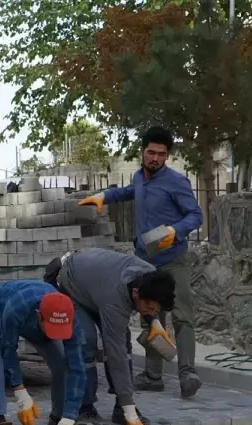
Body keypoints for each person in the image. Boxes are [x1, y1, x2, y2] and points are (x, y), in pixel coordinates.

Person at [78, 125, 204, 398]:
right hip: (144, 263)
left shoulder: (176, 182)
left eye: (161, 153)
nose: (155, 158)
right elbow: (127, 191)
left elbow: (195, 215)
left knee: (182, 317)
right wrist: (103, 197)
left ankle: (187, 374)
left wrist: (176, 231)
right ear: (142, 152)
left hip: (173, 259)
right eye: (151, 152)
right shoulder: (139, 177)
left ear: (167, 156)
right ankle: (152, 375)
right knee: (150, 316)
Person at [45, 248, 176, 425]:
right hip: (73, 286)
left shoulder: (149, 274)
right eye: (149, 308)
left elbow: (148, 301)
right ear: (135, 294)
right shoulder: (115, 300)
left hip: (97, 284)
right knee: (86, 340)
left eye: (155, 309)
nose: (151, 311)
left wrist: (154, 321)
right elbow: (116, 355)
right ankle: (84, 407)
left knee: (122, 340)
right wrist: (132, 414)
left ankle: (119, 409)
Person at [0, 280, 95, 425]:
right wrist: (20, 392)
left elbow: (77, 367)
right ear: (39, 314)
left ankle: (58, 419)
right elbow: (8, 350)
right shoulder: (17, 308)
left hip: (35, 320)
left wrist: (69, 418)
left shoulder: (69, 316)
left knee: (62, 361)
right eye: (51, 328)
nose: (53, 335)